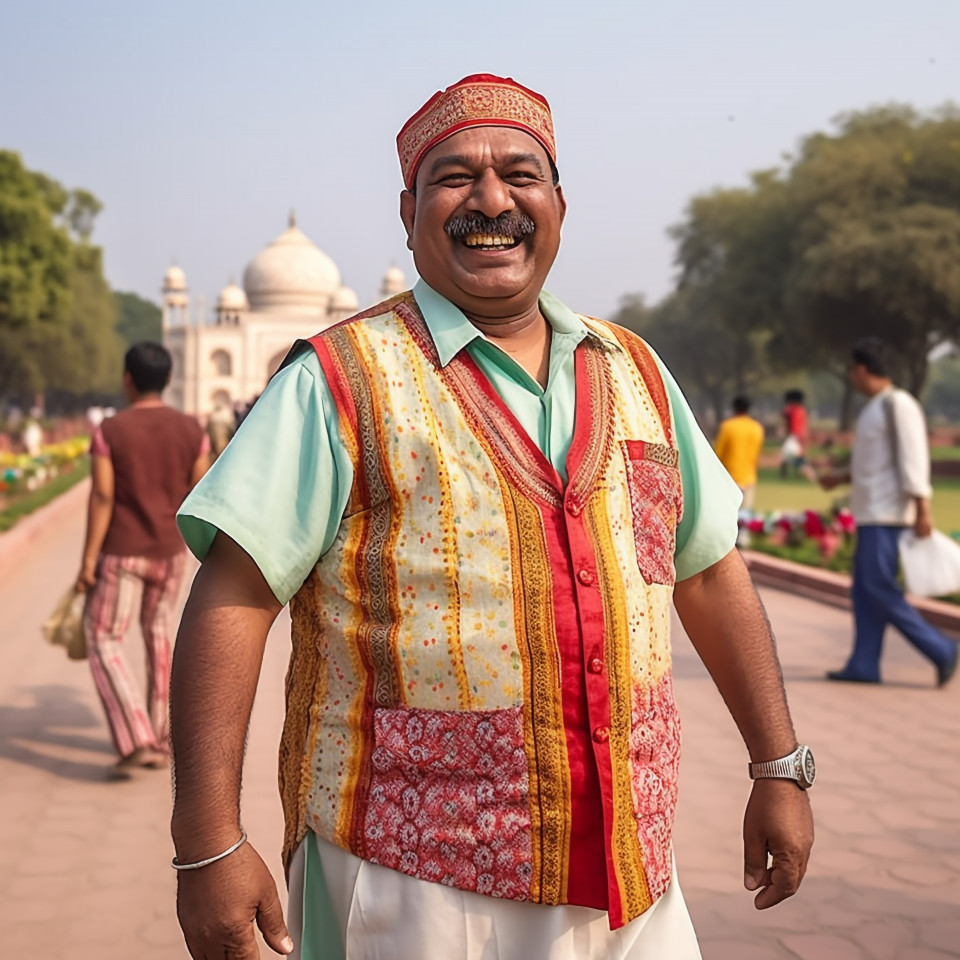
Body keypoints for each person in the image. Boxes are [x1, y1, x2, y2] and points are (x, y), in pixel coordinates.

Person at [170, 74, 815, 960]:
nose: (491, 201)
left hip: (629, 863)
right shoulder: (340, 378)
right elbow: (233, 595)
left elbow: (706, 571)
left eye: (520, 174)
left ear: (557, 203)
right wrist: (207, 839)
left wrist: (778, 765)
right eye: (454, 177)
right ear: (408, 212)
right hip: (413, 872)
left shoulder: (632, 372)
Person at [75, 342, 209, 773]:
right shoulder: (192, 430)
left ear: (127, 380)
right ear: (169, 380)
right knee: (158, 634)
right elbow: (201, 490)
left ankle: (135, 736)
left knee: (103, 635)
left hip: (122, 549)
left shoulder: (110, 430)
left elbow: (102, 495)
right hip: (169, 549)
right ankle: (162, 732)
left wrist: (87, 561)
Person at [819, 338, 958, 687]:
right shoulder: (875, 408)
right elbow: (874, 464)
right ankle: (863, 663)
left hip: (889, 514)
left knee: (878, 588)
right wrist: (839, 477)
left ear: (863, 369)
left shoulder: (899, 404)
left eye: (852, 369)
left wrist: (922, 505)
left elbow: (913, 458)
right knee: (864, 593)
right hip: (871, 512)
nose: (851, 376)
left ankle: (941, 648)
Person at [714, 395, 765, 511]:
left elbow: (719, 453)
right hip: (749, 477)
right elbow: (756, 454)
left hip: (730, 477)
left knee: (729, 514)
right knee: (745, 516)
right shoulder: (756, 428)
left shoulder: (727, 426)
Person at [779, 390, 808, 477]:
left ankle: (809, 473)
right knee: (787, 456)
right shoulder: (801, 410)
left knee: (792, 457)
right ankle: (785, 475)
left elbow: (794, 425)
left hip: (794, 437)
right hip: (796, 436)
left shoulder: (795, 410)